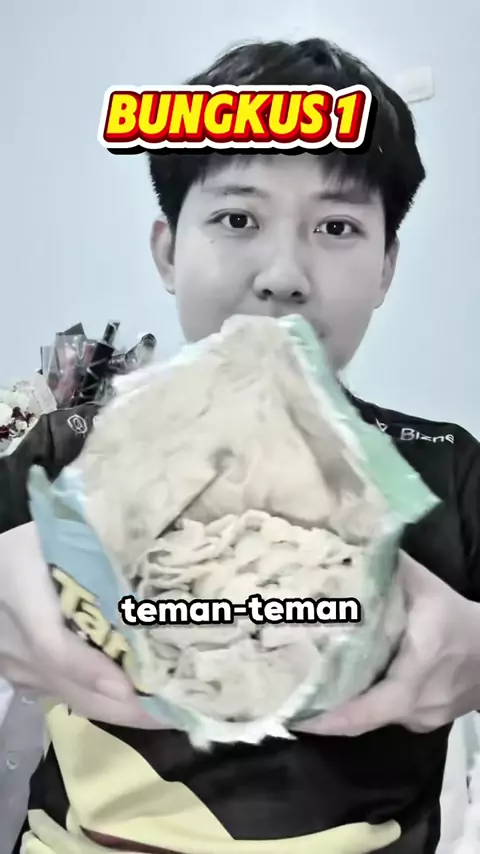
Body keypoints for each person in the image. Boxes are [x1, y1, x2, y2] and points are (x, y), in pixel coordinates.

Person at [1, 37, 480, 854]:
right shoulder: (67, 448)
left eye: (336, 225)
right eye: (237, 219)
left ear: (386, 268)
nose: (283, 273)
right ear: (168, 251)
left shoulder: (447, 469)